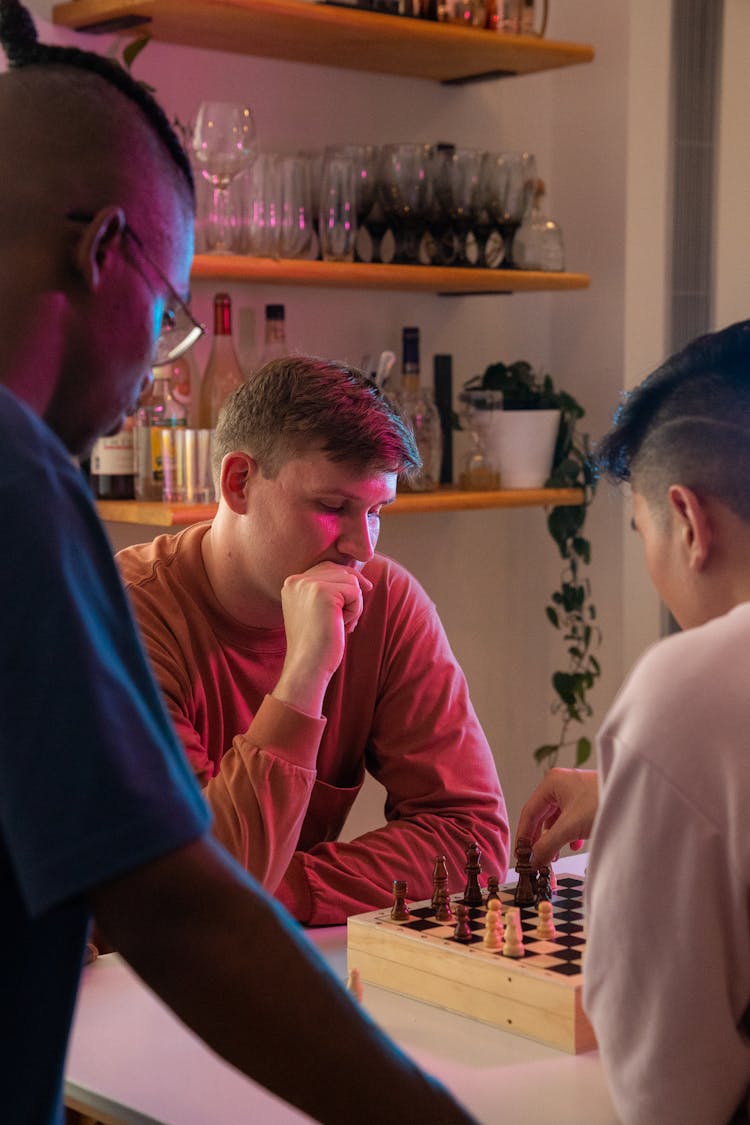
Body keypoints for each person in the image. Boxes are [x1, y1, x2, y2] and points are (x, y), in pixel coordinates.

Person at [0, 4, 480, 1122]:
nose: (158, 376)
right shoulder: (23, 483)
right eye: (168, 315)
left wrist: (280, 882)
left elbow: (470, 832)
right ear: (101, 249)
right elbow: (169, 902)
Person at [117, 357, 509, 925]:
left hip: (262, 948)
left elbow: (471, 835)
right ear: (239, 483)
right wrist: (304, 675)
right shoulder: (120, 618)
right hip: (112, 977)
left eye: (376, 511)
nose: (362, 547)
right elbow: (190, 897)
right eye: (332, 508)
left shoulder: (386, 600)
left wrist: (272, 889)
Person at [516, 318, 750, 1124]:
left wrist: (662, 770)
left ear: (688, 520)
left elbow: (669, 1091)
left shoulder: (691, 691)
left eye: (643, 531)